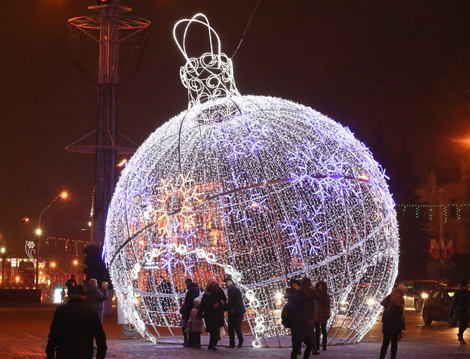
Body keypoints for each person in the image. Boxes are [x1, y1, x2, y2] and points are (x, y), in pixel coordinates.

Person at [46, 284, 107, 359]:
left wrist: (50, 354)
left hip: (64, 353)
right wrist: (100, 356)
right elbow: (100, 337)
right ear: (85, 296)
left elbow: (54, 335)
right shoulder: (91, 311)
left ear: (70, 295)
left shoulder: (61, 310)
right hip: (85, 353)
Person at [198, 277, 227, 350]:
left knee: (216, 329)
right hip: (209, 314)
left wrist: (219, 303)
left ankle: (214, 344)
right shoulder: (207, 292)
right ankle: (212, 343)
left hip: (217, 313)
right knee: (211, 329)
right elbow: (203, 303)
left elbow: (224, 299)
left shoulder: (219, 290)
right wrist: (200, 312)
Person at [379, 284, 405, 359]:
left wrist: (402, 328)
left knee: (390, 343)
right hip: (391, 325)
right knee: (390, 343)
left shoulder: (400, 301)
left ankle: (383, 357)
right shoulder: (392, 299)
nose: (398, 294)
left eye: (400, 293)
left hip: (393, 325)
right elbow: (382, 303)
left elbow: (402, 316)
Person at [224, 275, 246, 348]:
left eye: (227, 282)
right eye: (225, 282)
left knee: (237, 327)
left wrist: (235, 309)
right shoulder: (229, 290)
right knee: (230, 328)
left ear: (231, 282)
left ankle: (241, 341)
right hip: (232, 311)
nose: (226, 283)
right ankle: (232, 343)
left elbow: (239, 301)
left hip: (238, 312)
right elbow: (230, 302)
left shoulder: (236, 290)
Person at [300, 277, 319, 355]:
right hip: (310, 314)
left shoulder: (299, 291)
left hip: (300, 315)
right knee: (311, 332)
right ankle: (314, 349)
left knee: (300, 332)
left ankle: (298, 349)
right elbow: (319, 298)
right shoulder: (312, 292)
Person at [449, 280, 470, 344]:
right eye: (464, 286)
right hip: (459, 311)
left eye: (465, 287)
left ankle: (460, 334)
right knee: (461, 323)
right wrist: (451, 312)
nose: (465, 288)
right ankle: (461, 337)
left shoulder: (468, 293)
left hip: (466, 310)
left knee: (466, 324)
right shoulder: (457, 293)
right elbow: (453, 302)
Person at [182, 278, 200, 346]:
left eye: (185, 283)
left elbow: (190, 301)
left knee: (190, 326)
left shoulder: (191, 290)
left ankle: (192, 341)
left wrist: (187, 308)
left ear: (188, 283)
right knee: (194, 327)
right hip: (194, 310)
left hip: (190, 310)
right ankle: (194, 342)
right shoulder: (195, 289)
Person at [314, 280, 331, 351]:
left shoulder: (326, 295)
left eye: (322, 286)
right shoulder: (314, 295)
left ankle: (324, 345)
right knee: (317, 331)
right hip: (316, 315)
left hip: (323, 315)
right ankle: (317, 346)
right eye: (319, 286)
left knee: (323, 330)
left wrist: (327, 314)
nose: (320, 287)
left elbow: (328, 306)